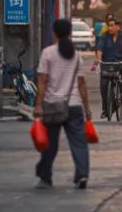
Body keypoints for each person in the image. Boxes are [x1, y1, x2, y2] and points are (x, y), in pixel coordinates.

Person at [34, 18, 91, 190]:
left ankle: (45, 177)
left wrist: (38, 105)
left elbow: (42, 81)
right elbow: (81, 84)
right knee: (79, 143)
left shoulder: (48, 53)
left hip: (53, 106)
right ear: (70, 33)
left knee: (50, 144)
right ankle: (82, 175)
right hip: (74, 105)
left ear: (55, 33)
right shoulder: (76, 55)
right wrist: (87, 108)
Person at [92, 16, 122, 99]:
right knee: (103, 85)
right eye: (109, 26)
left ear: (118, 27)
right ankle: (105, 105)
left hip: (121, 63)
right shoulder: (104, 36)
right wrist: (98, 59)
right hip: (107, 64)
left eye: (112, 26)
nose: (109, 28)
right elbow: (100, 48)